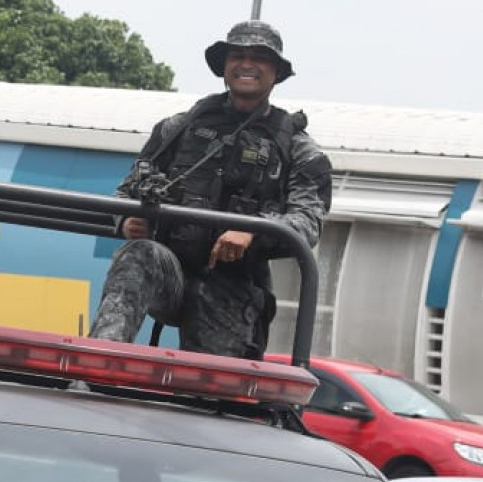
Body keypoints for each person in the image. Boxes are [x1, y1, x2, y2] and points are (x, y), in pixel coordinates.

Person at [88, 21, 332, 359]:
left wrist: (253, 232)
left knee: (210, 401)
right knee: (139, 252)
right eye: (238, 55)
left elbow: (308, 221)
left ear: (276, 71)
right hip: (168, 270)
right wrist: (126, 220)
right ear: (224, 66)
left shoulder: (298, 149)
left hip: (235, 287)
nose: (247, 64)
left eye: (259, 57)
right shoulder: (177, 129)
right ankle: (98, 362)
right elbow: (125, 193)